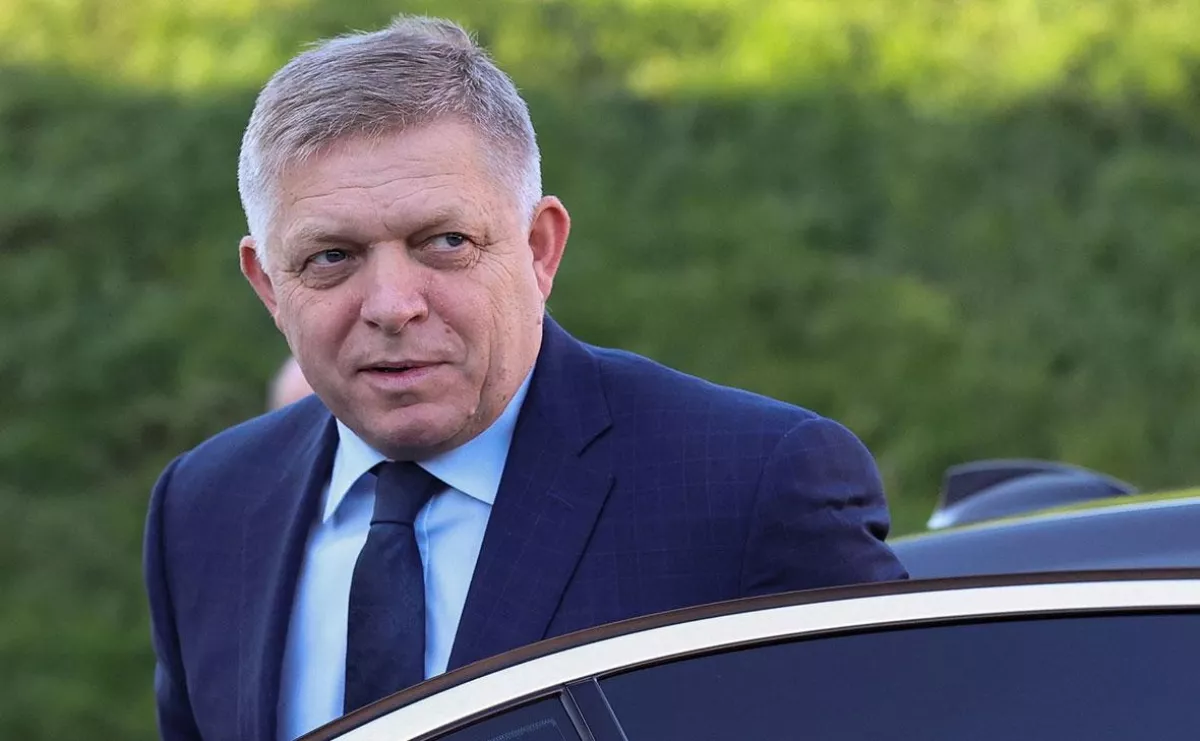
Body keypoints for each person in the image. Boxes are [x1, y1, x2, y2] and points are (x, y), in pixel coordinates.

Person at [143, 15, 908, 741]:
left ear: (541, 248)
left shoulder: (749, 490)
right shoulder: (205, 509)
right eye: (332, 257)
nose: (393, 305)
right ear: (269, 286)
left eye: (445, 241)